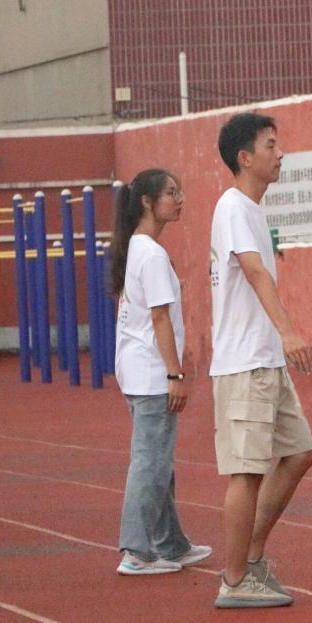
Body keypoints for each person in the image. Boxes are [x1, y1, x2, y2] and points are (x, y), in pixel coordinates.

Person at [210, 112, 312, 609]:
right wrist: (289, 331)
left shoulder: (252, 209)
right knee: (247, 471)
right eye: (271, 145)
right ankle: (234, 579)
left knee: (299, 453)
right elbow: (253, 272)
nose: (281, 153)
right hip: (246, 361)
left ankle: (250, 556)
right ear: (245, 157)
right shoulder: (233, 206)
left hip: (264, 359)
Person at [110, 168, 211, 576]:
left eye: (180, 190)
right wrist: (175, 374)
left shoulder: (138, 247)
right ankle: (136, 551)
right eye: (171, 193)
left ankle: (171, 544)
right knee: (150, 463)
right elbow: (160, 319)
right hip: (152, 373)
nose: (180, 198)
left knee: (158, 462)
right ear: (148, 203)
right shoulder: (150, 254)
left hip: (137, 370)